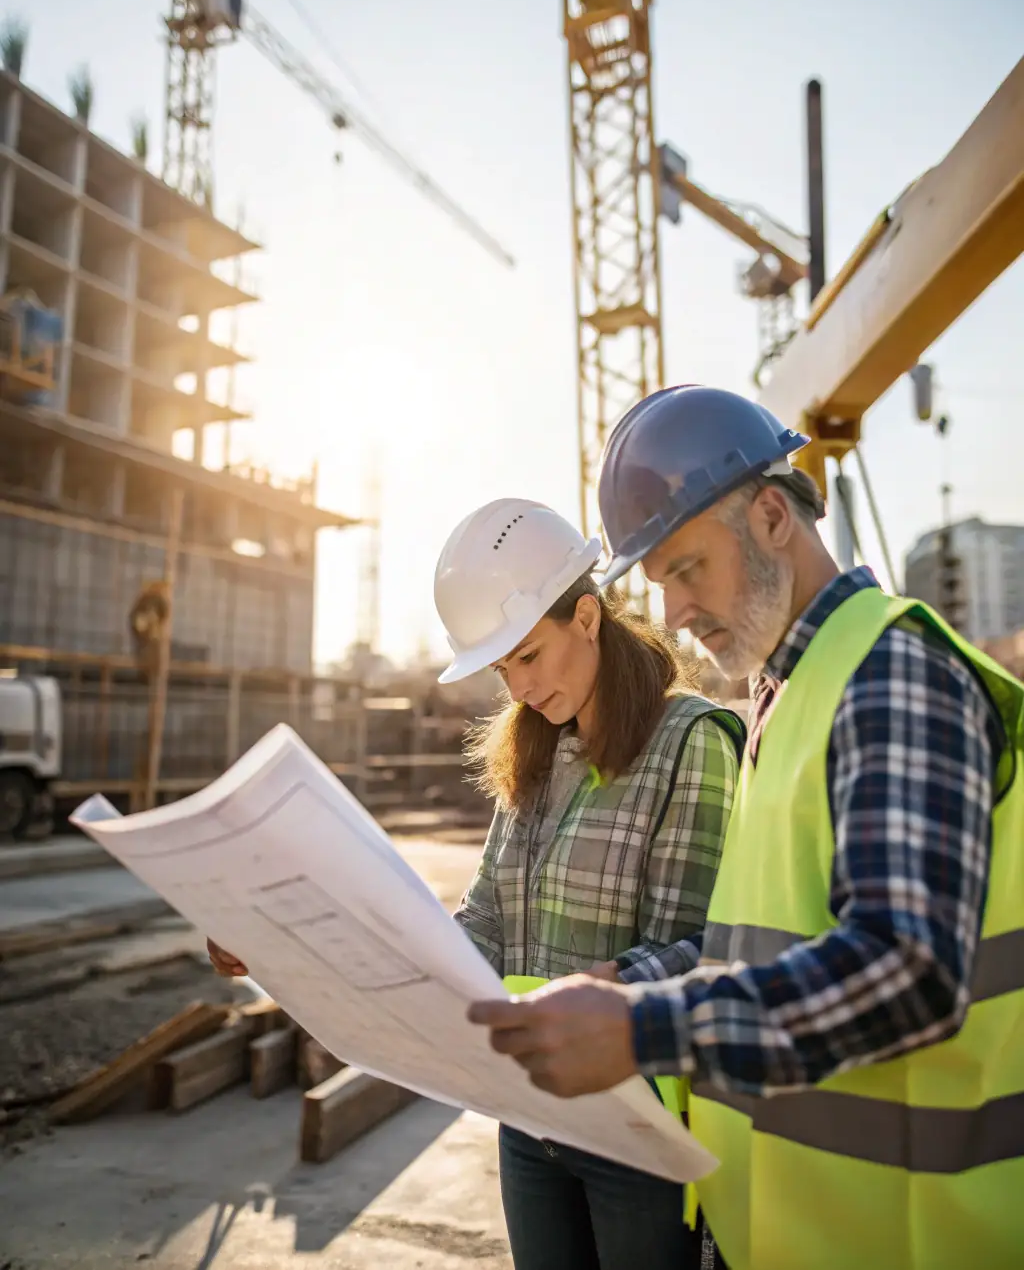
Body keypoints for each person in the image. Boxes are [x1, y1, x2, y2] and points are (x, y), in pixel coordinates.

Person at [466, 389, 1024, 1270]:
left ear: (772, 516)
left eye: (688, 568)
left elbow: (908, 967)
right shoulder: (787, 697)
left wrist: (640, 1025)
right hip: (803, 1225)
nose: (676, 612)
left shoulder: (890, 676)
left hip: (911, 1232)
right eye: (660, 585)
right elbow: (752, 948)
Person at [211, 496, 745, 1270]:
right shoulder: (532, 755)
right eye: (503, 669)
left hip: (638, 1128)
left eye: (528, 655)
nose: (520, 688)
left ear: (587, 617)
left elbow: (705, 948)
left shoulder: (690, 743)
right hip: (528, 1121)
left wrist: (605, 991)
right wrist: (283, 942)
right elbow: (482, 927)